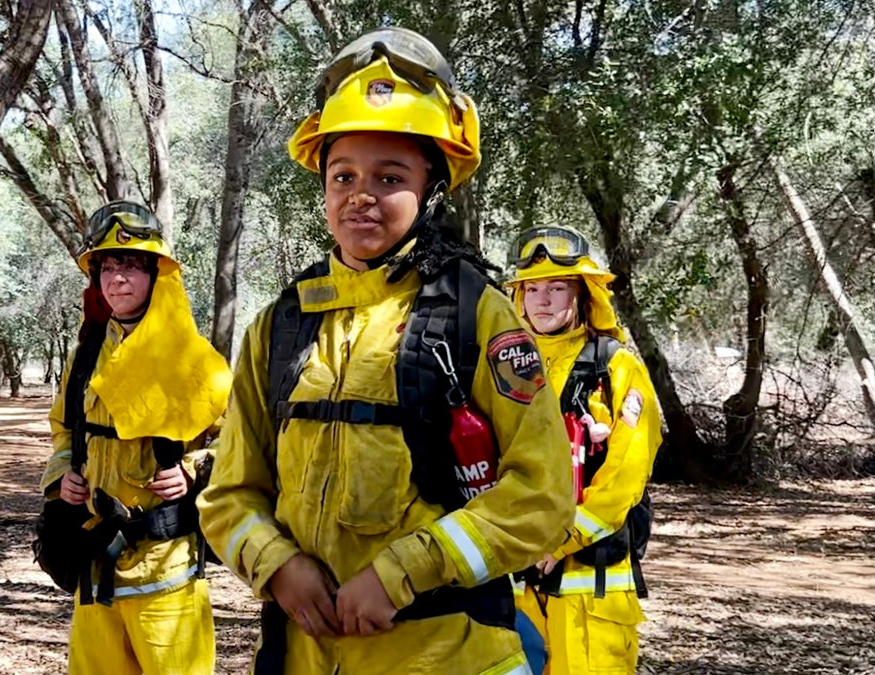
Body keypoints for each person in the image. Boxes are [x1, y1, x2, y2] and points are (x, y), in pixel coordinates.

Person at [197, 27, 574, 675]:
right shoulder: (279, 327)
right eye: (342, 174)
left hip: (447, 655)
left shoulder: (474, 315)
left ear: (432, 186)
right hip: (301, 656)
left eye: (390, 175)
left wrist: (404, 570)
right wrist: (277, 564)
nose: (360, 193)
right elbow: (229, 495)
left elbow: (542, 496)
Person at [39, 201, 233, 675]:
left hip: (164, 569)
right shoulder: (86, 355)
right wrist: (62, 473)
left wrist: (192, 470)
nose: (117, 278)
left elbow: (237, 444)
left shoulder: (198, 362)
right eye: (107, 266)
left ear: (156, 274)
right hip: (94, 559)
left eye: (130, 265)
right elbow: (64, 429)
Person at [504, 225, 661, 675]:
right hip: (517, 580)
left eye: (557, 288)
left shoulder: (615, 365)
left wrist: (563, 538)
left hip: (590, 583)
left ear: (584, 295)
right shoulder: (504, 366)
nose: (543, 299)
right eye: (532, 288)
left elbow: (626, 473)